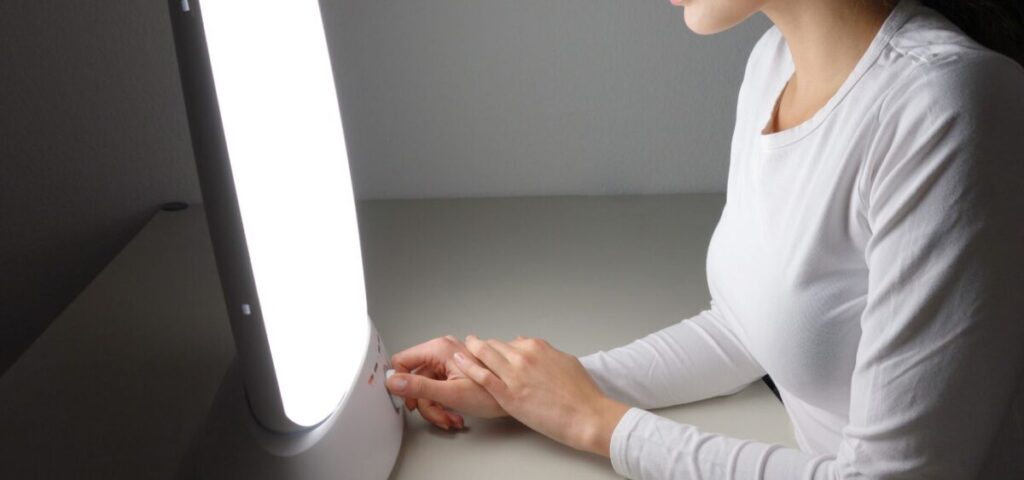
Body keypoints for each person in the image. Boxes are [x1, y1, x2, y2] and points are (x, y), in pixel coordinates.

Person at [384, 0, 1024, 477]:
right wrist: (520, 389)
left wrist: (596, 423)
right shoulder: (773, 64)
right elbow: (747, 329)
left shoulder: (945, 104)